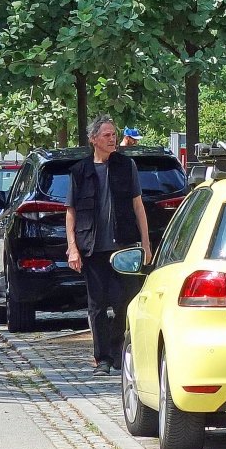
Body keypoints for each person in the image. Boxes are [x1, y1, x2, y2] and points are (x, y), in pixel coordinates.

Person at [65, 116, 152, 375]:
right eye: (106, 135)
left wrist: (146, 244)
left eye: (114, 134)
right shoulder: (80, 171)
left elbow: (138, 205)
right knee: (97, 306)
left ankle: (117, 353)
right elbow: (70, 211)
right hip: (93, 249)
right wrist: (72, 247)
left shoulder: (127, 166)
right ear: (93, 139)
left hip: (123, 248)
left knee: (125, 302)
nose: (112, 139)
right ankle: (101, 358)